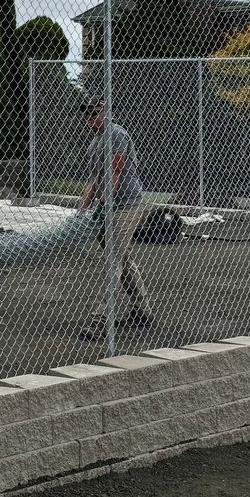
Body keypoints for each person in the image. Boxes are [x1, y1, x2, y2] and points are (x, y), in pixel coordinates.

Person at [77, 97, 153, 339]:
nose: (91, 118)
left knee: (112, 261)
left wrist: (105, 201)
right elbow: (93, 181)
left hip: (126, 205)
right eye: (87, 114)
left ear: (106, 112)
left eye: (95, 112)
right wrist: (82, 210)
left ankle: (99, 321)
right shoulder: (93, 144)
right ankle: (142, 311)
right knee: (123, 258)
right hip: (107, 207)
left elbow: (116, 169)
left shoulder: (116, 134)